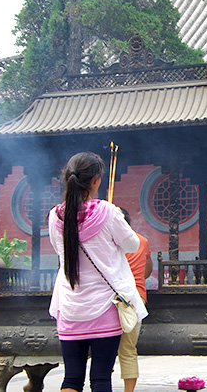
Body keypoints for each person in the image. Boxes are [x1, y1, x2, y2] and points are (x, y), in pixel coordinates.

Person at [48, 152, 147, 392]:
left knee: (71, 379)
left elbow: (58, 250)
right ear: (96, 181)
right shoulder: (108, 211)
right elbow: (132, 245)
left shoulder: (55, 216)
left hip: (70, 307)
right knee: (101, 378)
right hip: (104, 308)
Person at [118, 208, 153, 392]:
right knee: (128, 350)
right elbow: (147, 272)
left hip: (109, 298)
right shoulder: (142, 241)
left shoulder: (108, 241)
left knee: (103, 350)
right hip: (135, 298)